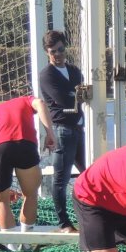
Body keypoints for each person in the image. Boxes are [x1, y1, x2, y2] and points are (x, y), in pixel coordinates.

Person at [0, 95, 56, 251]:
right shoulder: (23, 100)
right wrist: (50, 133)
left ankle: (12, 247)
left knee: (1, 200)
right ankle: (25, 242)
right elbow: (40, 103)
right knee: (31, 194)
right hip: (24, 144)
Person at [39, 30, 86, 233]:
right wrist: (78, 94)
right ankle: (64, 223)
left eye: (60, 49)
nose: (58, 54)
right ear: (47, 53)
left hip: (78, 128)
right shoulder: (46, 75)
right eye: (53, 51)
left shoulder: (74, 70)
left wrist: (79, 95)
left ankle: (90, 215)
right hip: (61, 130)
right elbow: (64, 99)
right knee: (61, 178)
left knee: (90, 172)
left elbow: (81, 94)